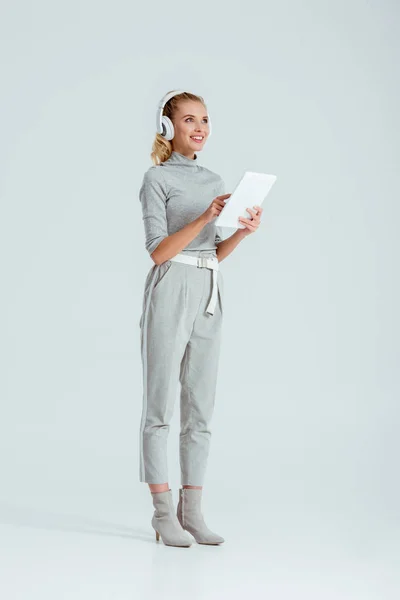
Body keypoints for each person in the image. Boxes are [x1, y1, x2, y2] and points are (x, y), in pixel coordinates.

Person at [138, 90, 262, 547]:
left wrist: (241, 233)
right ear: (168, 128)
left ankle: (193, 512)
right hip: (171, 286)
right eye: (189, 119)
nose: (200, 127)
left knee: (200, 409)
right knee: (159, 408)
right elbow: (158, 252)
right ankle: (161, 512)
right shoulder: (156, 179)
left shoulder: (213, 179)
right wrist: (205, 216)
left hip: (209, 288)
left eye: (205, 119)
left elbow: (214, 251)